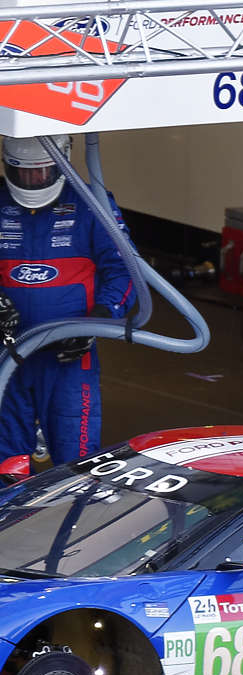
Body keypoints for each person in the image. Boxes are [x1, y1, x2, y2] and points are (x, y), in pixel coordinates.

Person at [0, 137, 132, 464]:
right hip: (7, 353)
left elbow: (126, 271)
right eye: (25, 174)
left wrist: (99, 318)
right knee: (6, 462)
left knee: (76, 462)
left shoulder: (92, 202)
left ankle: (73, 514)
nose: (33, 181)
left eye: (42, 172)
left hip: (70, 359)